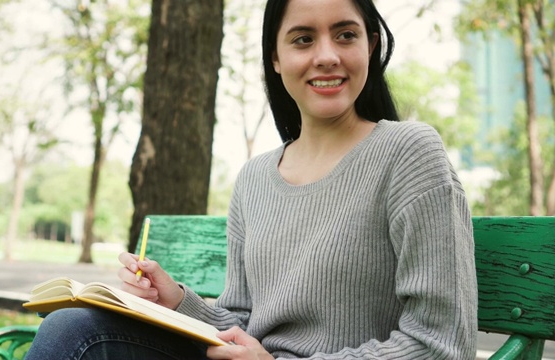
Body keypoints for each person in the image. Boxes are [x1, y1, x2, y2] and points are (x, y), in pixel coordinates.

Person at [26, 0, 478, 358]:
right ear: (276, 59)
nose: (326, 55)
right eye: (303, 39)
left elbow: (440, 343)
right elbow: (244, 318)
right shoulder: (256, 177)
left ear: (371, 44)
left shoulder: (408, 153)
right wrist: (177, 300)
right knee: (72, 329)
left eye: (345, 34)